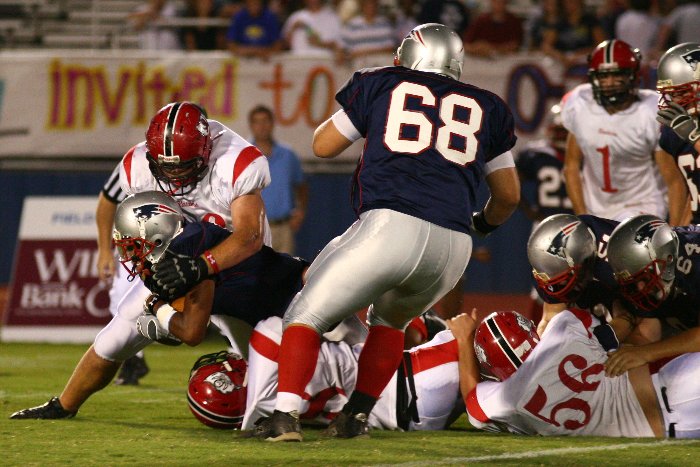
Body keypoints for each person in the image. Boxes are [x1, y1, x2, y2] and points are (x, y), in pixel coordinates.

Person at [254, 23, 520, 442]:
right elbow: (508, 196)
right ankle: (355, 417)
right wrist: (482, 224)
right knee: (390, 322)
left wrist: (370, 119)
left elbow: (323, 146)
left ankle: (284, 417)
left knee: (304, 315)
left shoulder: (381, 83)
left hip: (391, 225)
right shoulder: (489, 106)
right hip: (454, 246)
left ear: (411, 54)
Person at [9, 101, 272, 420]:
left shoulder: (236, 161)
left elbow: (249, 237)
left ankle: (297, 408)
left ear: (206, 150)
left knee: (262, 356)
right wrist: (156, 271)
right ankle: (62, 406)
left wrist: (199, 267)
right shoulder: (137, 166)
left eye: (184, 166)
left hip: (236, 266)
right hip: (178, 261)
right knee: (114, 338)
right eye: (166, 167)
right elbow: (140, 228)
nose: (174, 174)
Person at [463, 308, 700, 438]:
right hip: (672, 384)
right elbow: (609, 332)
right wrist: (630, 314)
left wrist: (463, 340)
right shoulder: (561, 328)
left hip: (671, 431)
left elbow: (472, 403)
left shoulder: (507, 399)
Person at [241, 314, 463, 434]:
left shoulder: (268, 404)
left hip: (404, 417)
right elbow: (275, 329)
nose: (236, 365)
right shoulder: (267, 346)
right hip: (400, 379)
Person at [561, 39, 689, 225]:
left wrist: (676, 233)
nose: (610, 83)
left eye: (617, 75)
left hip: (642, 207)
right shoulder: (579, 103)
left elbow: (674, 180)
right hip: (596, 210)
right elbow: (571, 166)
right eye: (603, 76)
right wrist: (583, 217)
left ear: (633, 76)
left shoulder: (651, 111)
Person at [604, 215, 700, 377]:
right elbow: (646, 332)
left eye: (645, 277)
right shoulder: (661, 255)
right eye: (635, 281)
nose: (641, 287)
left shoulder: (695, 262)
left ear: (668, 259)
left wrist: (646, 353)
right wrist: (628, 353)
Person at [96, 165, 150, 386]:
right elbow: (107, 201)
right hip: (139, 243)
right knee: (121, 300)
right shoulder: (135, 162)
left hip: (184, 240)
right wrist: (104, 250)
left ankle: (238, 355)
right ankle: (133, 359)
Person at [249, 105, 308, 255]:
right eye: (257, 122)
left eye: (265, 121)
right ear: (251, 126)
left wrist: (300, 211)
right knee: (257, 269)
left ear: (272, 123)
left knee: (285, 269)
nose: (262, 126)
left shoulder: (288, 155)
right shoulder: (245, 155)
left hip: (283, 228)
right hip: (254, 229)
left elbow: (301, 185)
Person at [655, 42, 700, 224]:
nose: (675, 101)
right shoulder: (676, 131)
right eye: (671, 94)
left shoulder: (687, 131)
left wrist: (693, 136)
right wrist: (677, 232)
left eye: (682, 92)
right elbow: (693, 194)